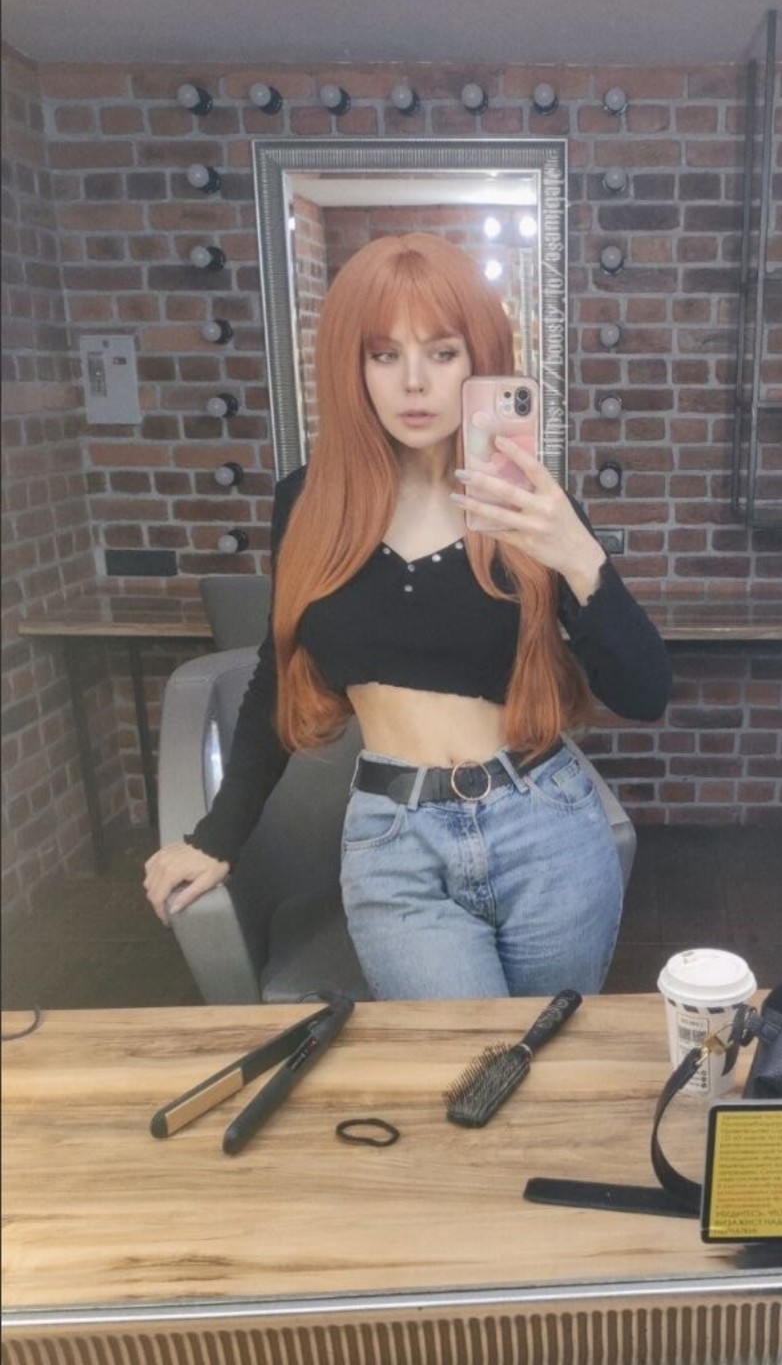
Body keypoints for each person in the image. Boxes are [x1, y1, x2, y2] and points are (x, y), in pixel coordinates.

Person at [144, 232, 671, 1000]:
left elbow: (645, 692)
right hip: (395, 842)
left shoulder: (527, 506)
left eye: (443, 352)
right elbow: (277, 677)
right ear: (352, 367)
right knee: (463, 1064)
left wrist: (579, 556)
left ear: (479, 360)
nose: (415, 382)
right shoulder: (309, 503)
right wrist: (216, 835)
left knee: (547, 1058)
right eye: (385, 354)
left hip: (546, 827)